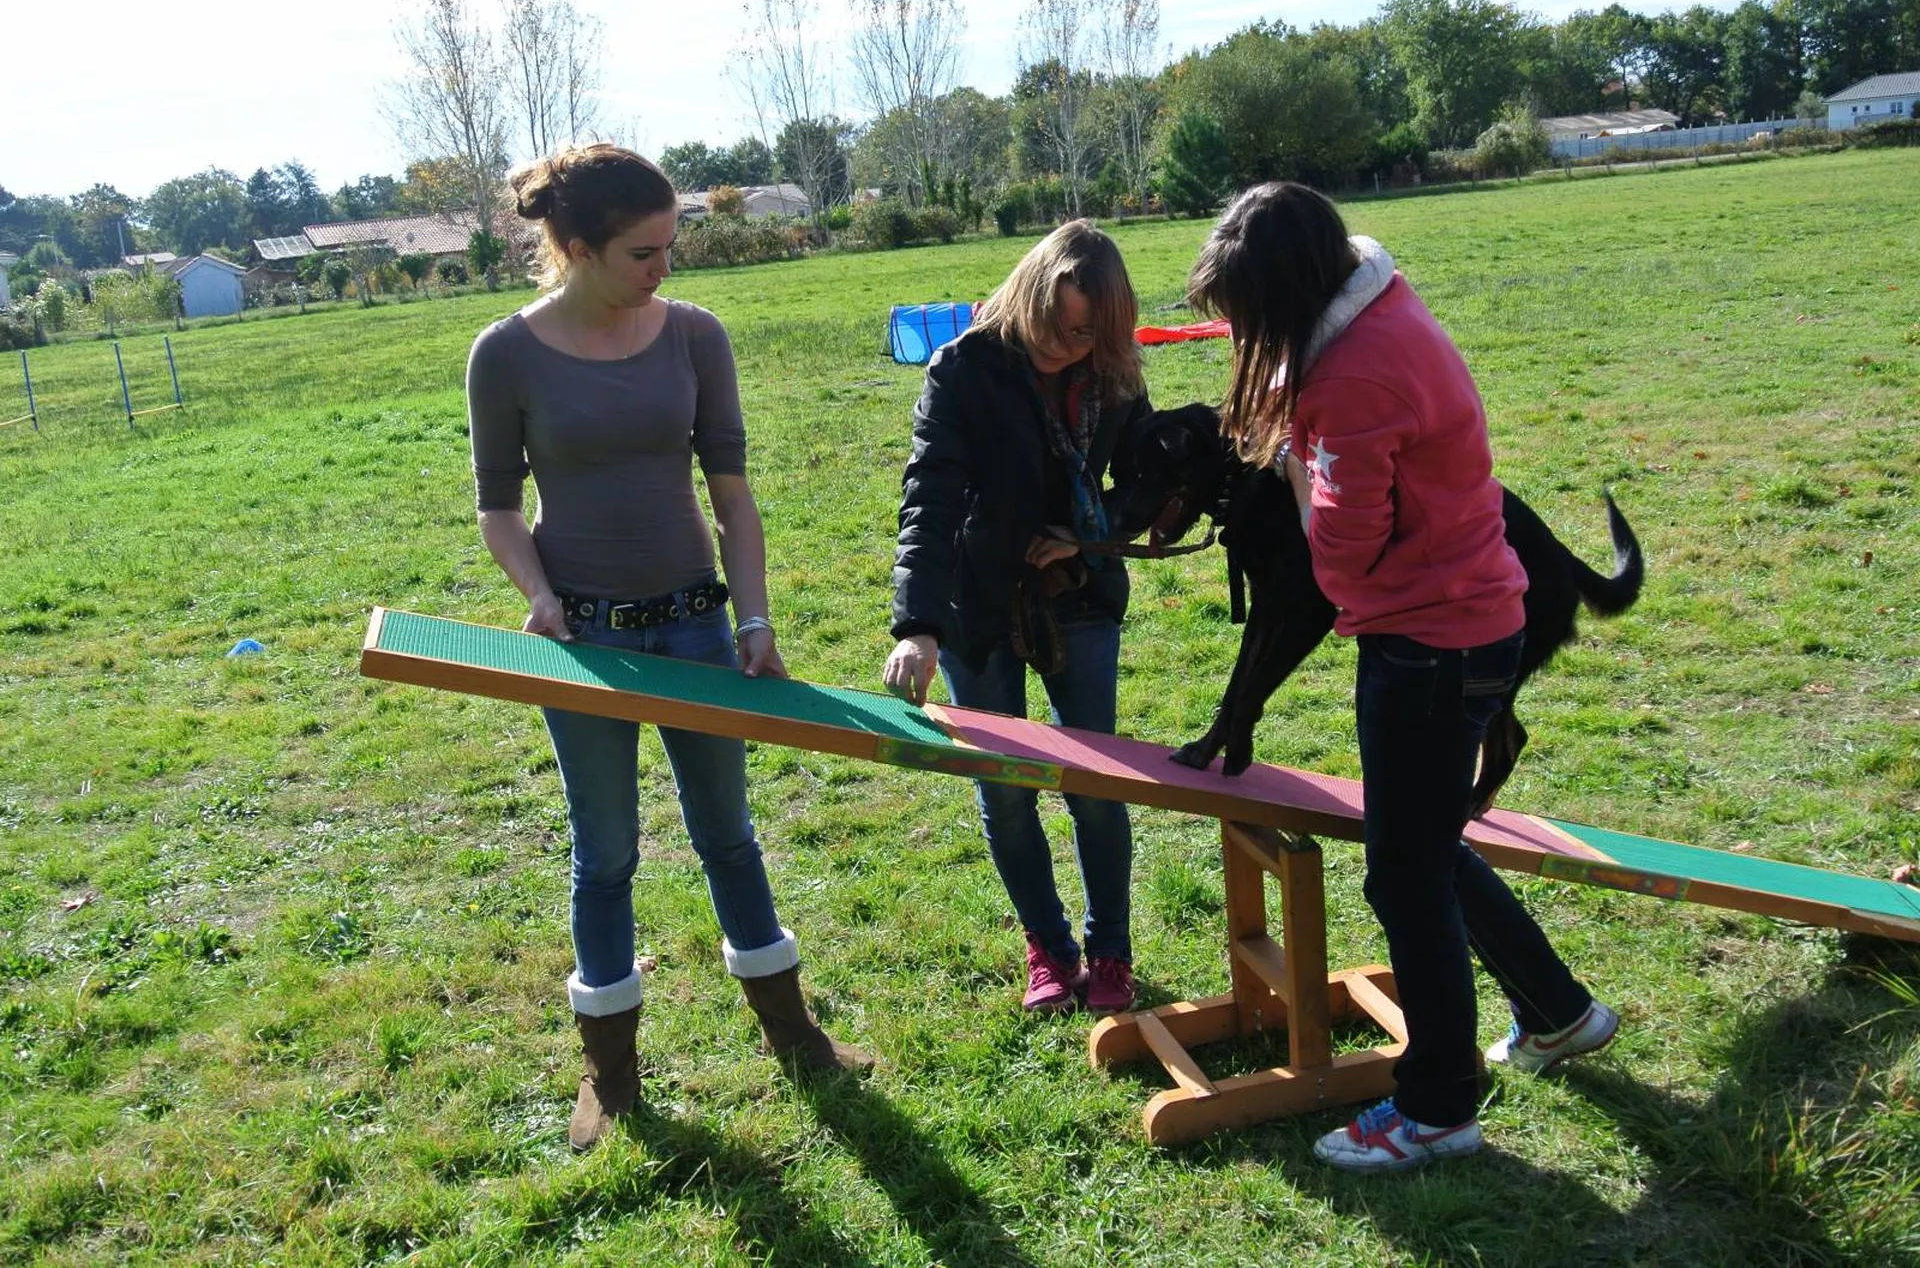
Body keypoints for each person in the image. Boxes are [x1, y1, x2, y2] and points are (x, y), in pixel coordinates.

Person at [1185, 181, 1619, 1173]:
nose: (1245, 337)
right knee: (1421, 846)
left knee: (1405, 875)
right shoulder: (1381, 299)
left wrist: (1295, 458)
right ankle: (1558, 1012)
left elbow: (1339, 566)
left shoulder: (1352, 380)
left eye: (1247, 316)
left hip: (1429, 645)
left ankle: (1434, 1107)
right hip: (1469, 619)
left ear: (1288, 293)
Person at [466, 143, 869, 1153]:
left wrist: (755, 619)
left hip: (694, 620)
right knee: (603, 855)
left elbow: (731, 493)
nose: (664, 268)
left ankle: (795, 1037)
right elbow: (499, 510)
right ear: (573, 247)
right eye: (643, 252)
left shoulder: (696, 336)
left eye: (669, 246)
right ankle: (611, 1074)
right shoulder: (504, 354)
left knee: (727, 832)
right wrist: (542, 597)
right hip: (585, 637)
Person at [884, 220, 1154, 1017]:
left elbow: (1152, 471)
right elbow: (929, 496)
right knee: (1004, 788)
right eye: (1067, 330)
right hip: (977, 603)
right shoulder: (963, 369)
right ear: (1036, 294)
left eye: (1093, 336)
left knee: (1095, 785)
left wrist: (1091, 528)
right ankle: (1049, 946)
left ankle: (1109, 951)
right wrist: (918, 625)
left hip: (1080, 595)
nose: (1077, 348)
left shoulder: (1114, 369)